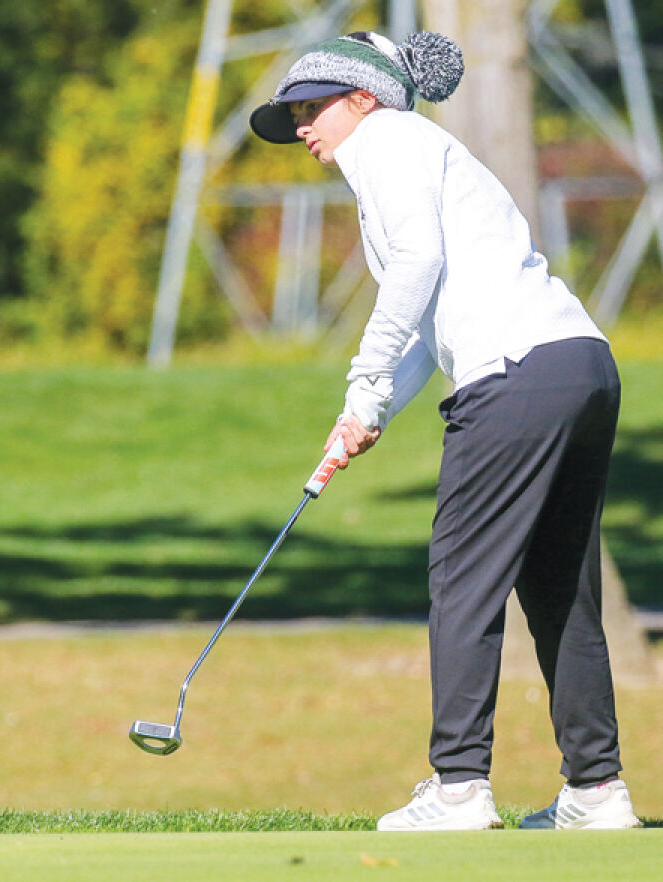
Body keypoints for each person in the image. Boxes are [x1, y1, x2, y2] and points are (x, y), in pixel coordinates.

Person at [249, 30, 641, 831]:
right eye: (293, 114)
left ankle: (459, 787)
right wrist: (369, 412)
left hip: (515, 376)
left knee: (462, 581)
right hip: (578, 364)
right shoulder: (417, 154)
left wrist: (362, 379)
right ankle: (597, 792)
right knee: (558, 589)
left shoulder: (387, 142)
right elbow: (430, 327)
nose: (301, 128)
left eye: (311, 107)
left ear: (364, 96)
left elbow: (418, 264)